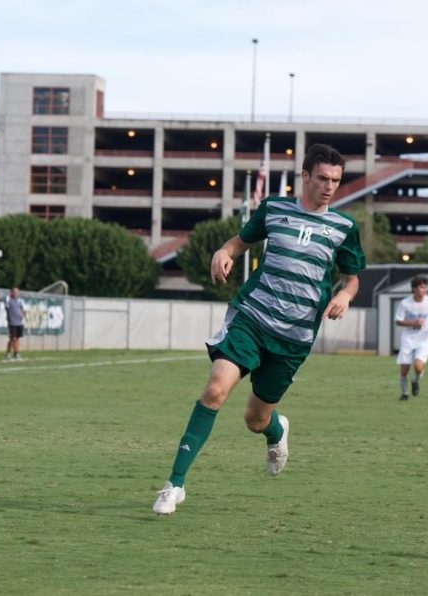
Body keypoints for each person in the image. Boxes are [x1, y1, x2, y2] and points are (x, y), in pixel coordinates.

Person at [153, 143, 366, 515]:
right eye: (322, 178)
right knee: (215, 390)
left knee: (256, 419)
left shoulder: (345, 228)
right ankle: (174, 485)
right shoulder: (274, 208)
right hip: (252, 318)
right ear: (305, 176)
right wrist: (224, 252)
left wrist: (346, 296)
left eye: (336, 180)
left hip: (294, 337)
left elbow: (352, 280)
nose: (329, 186)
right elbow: (239, 242)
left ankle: (276, 432)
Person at [394, 275, 428, 401]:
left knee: (419, 366)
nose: (424, 290)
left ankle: (415, 381)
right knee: (404, 369)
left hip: (424, 338)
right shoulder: (405, 303)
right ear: (414, 288)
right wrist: (413, 322)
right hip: (408, 339)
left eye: (425, 287)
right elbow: (398, 321)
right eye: (421, 287)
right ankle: (405, 393)